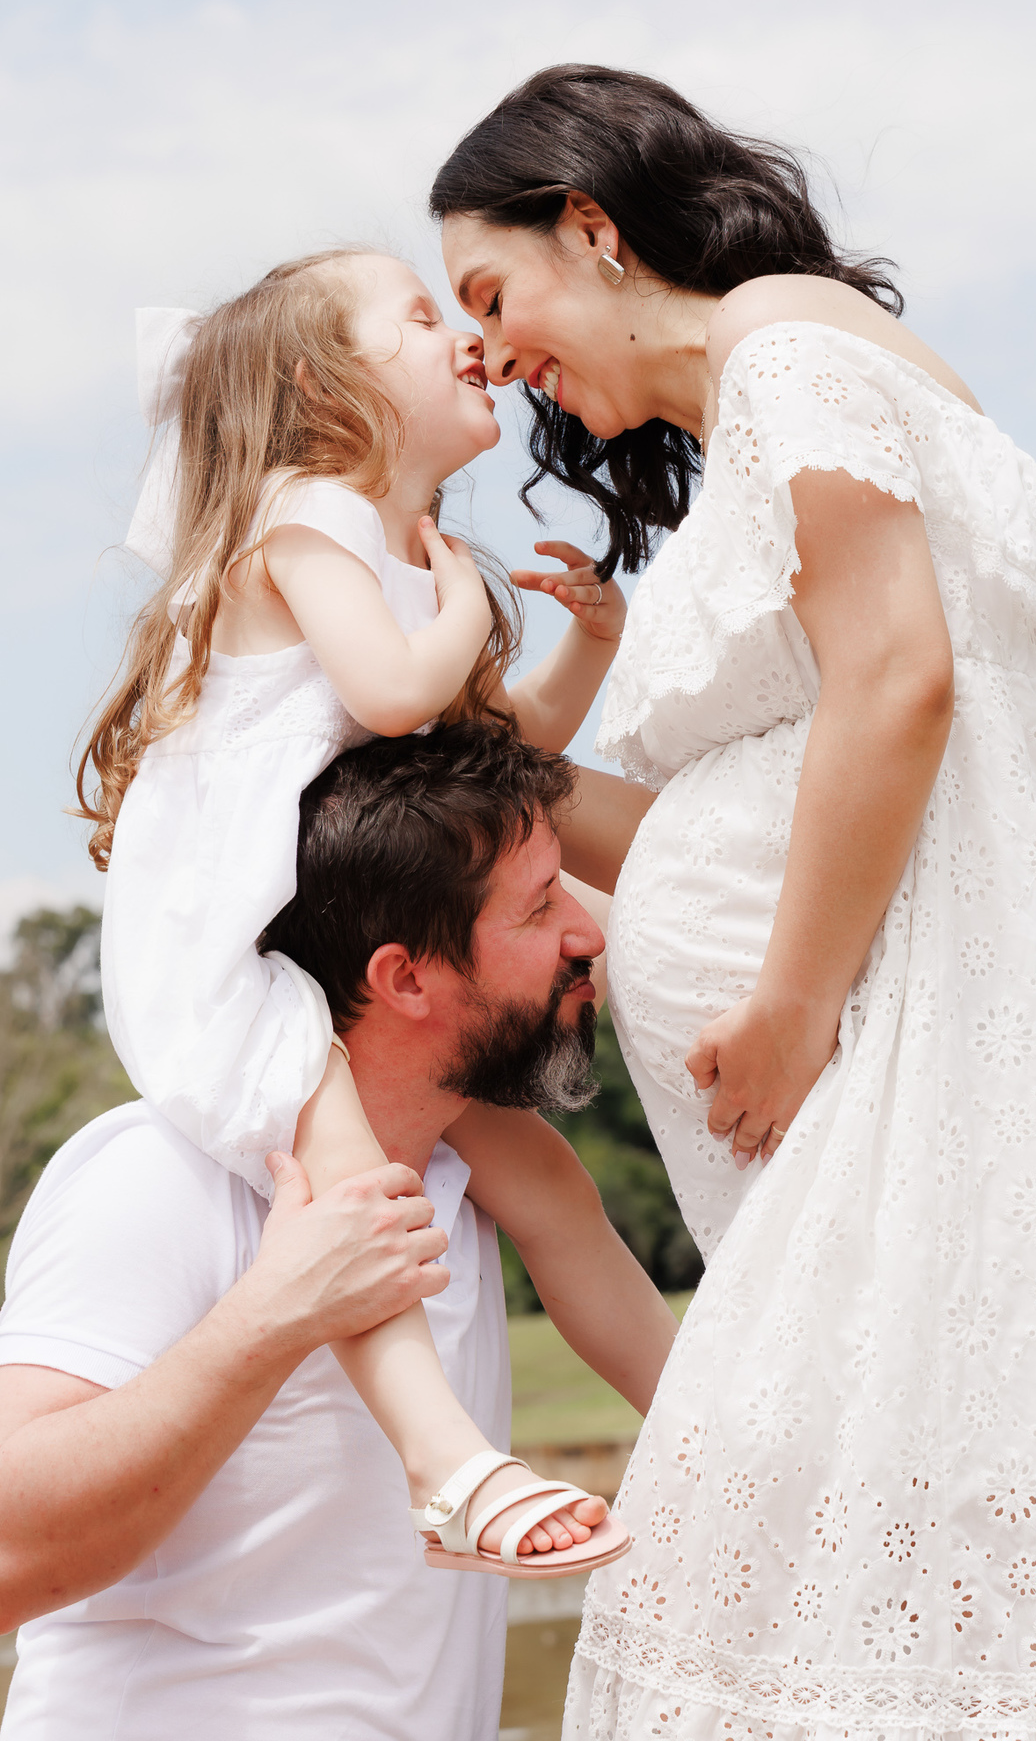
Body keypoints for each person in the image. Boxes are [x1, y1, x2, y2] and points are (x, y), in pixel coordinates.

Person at [433, 65, 1036, 1736]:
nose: (486, 353)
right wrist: (452, 761)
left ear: (593, 226)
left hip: (886, 1069)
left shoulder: (788, 348)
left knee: (796, 1604)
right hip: (852, 1089)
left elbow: (904, 683)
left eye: (491, 295)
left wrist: (781, 1007)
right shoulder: (786, 385)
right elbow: (734, 805)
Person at [75, 248, 639, 1574]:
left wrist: (592, 643)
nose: (460, 332)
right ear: (318, 383)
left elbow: (506, 760)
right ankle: (444, 1465)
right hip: (233, 947)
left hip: (317, 934)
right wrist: (454, 603)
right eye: (419, 310)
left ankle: (713, 1426)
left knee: (549, 1187)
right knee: (358, 1191)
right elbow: (394, 697)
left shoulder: (386, 546)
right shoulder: (302, 512)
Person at [0, 723, 678, 1740]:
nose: (590, 934)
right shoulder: (158, 1174)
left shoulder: (483, 1174)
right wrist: (274, 1318)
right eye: (540, 907)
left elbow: (692, 1399)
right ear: (406, 978)